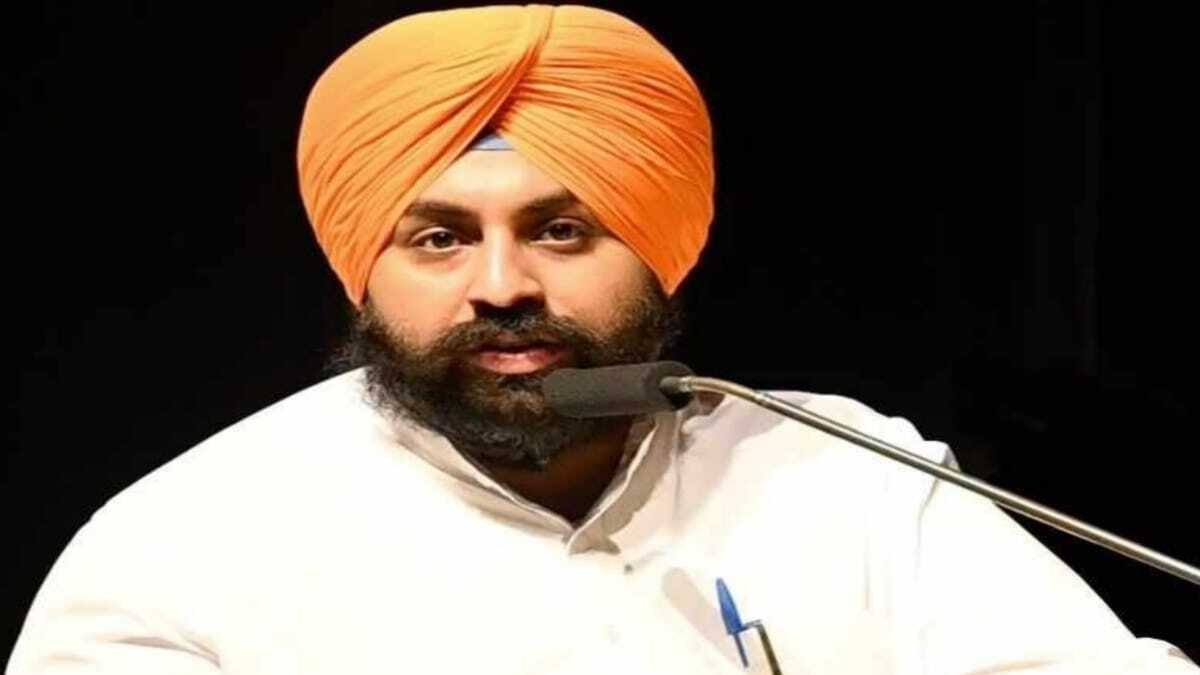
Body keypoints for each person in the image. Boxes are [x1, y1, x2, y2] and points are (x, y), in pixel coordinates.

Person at [7, 5, 1196, 674]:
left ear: (661, 252)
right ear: (362, 267)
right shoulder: (181, 550)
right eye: (438, 239)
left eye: (562, 230)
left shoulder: (846, 476)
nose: (502, 286)